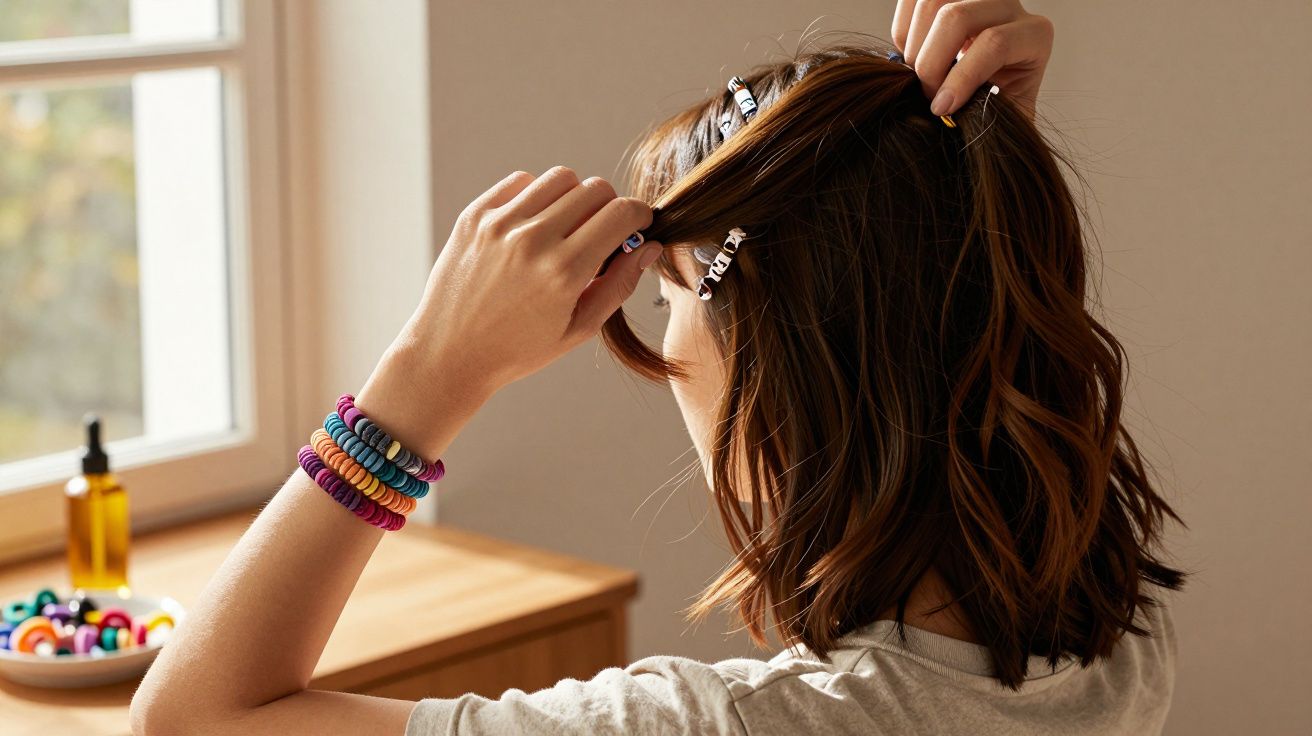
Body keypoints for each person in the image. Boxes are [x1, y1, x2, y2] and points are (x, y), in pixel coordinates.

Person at [130, 1, 1185, 734]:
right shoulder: (1111, 623)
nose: (662, 340)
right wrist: (986, 163)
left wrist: (423, 377)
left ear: (778, 361)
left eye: (672, 296)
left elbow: (192, 718)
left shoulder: (730, 726)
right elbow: (949, 324)